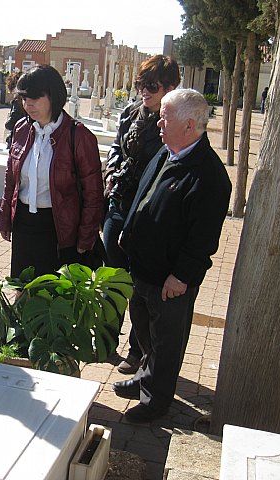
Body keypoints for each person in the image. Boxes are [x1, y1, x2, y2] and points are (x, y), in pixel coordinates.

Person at [112, 89, 231, 423]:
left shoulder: (209, 175)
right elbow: (145, 193)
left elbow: (203, 238)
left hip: (170, 279)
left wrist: (181, 276)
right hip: (142, 268)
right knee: (146, 333)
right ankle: (144, 379)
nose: (158, 122)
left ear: (189, 125)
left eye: (165, 117)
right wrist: (129, 229)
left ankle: (156, 400)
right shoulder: (168, 151)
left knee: (166, 342)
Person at [102, 55, 180, 375]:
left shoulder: (171, 123)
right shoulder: (130, 113)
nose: (143, 91)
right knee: (114, 278)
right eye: (140, 84)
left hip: (147, 216)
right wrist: (111, 172)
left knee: (140, 284)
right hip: (119, 205)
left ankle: (138, 351)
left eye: (151, 86)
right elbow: (117, 149)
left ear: (171, 88)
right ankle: (106, 341)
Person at [0, 65, 103, 279]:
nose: (28, 104)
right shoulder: (22, 129)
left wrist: (85, 238)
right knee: (24, 294)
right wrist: (5, 218)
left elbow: (93, 193)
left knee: (54, 301)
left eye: (35, 98)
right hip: (24, 226)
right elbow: (11, 178)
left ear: (53, 96)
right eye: (24, 98)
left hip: (59, 230)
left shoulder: (79, 137)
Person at [4, 71, 25, 149]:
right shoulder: (26, 98)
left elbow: (12, 121)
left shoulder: (17, 101)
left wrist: (7, 124)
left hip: (18, 137)